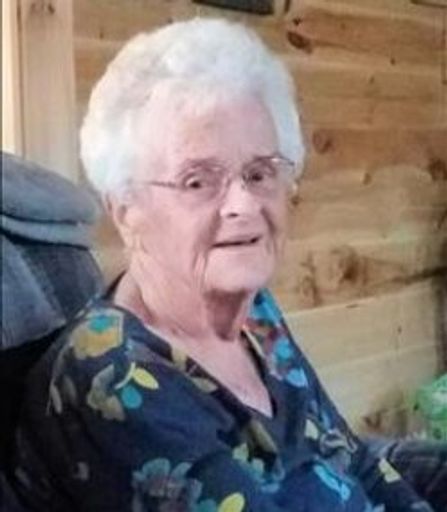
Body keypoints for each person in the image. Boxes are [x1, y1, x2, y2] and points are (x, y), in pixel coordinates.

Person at [8, 18, 434, 511]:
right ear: (125, 210)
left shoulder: (256, 317)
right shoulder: (113, 381)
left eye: (259, 172)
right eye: (198, 181)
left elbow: (354, 461)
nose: (244, 205)